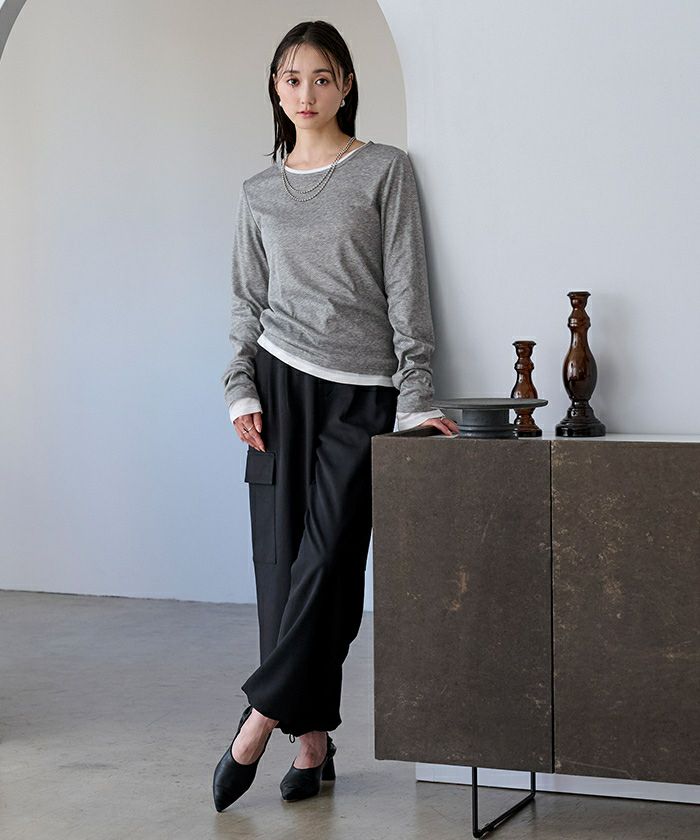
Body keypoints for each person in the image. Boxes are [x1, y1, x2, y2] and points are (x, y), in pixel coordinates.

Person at [212, 20, 459, 812]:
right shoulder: (258, 192)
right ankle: (312, 741)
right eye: (292, 79)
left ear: (347, 84)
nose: (307, 93)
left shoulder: (385, 170)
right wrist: (240, 388)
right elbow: (246, 303)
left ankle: (258, 719)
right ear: (275, 88)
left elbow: (407, 289)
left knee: (329, 566)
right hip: (277, 389)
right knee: (281, 568)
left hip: (363, 392)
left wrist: (416, 396)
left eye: (322, 77)